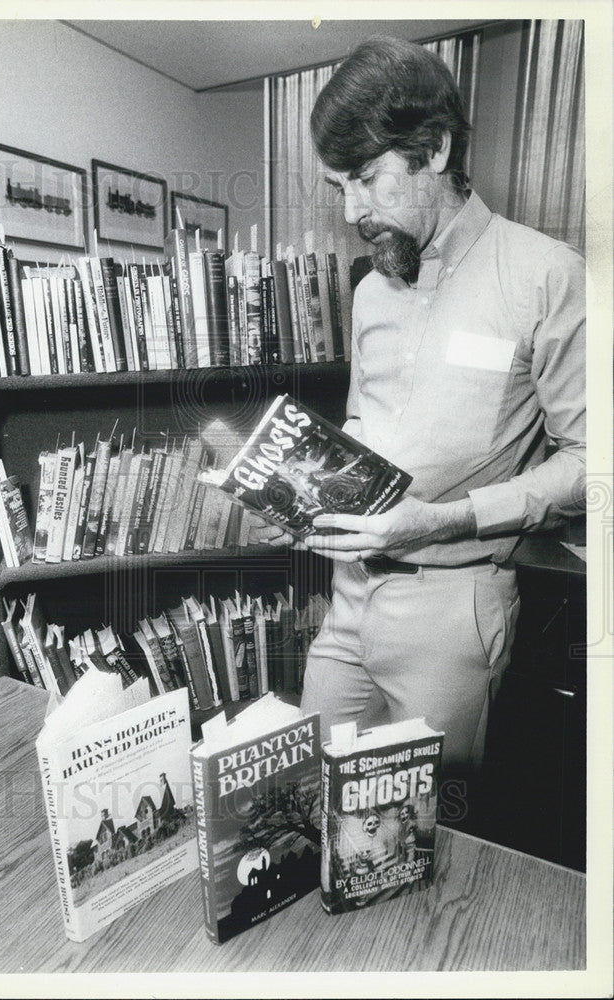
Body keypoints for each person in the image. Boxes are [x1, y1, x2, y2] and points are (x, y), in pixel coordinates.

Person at [255, 37, 585, 775]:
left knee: (424, 839)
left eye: (367, 179)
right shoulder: (370, 289)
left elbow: (592, 462)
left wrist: (443, 519)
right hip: (345, 605)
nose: (351, 210)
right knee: (304, 800)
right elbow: (362, 422)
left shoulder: (546, 278)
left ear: (433, 149)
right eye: (340, 185)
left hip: (453, 612)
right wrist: (297, 490)